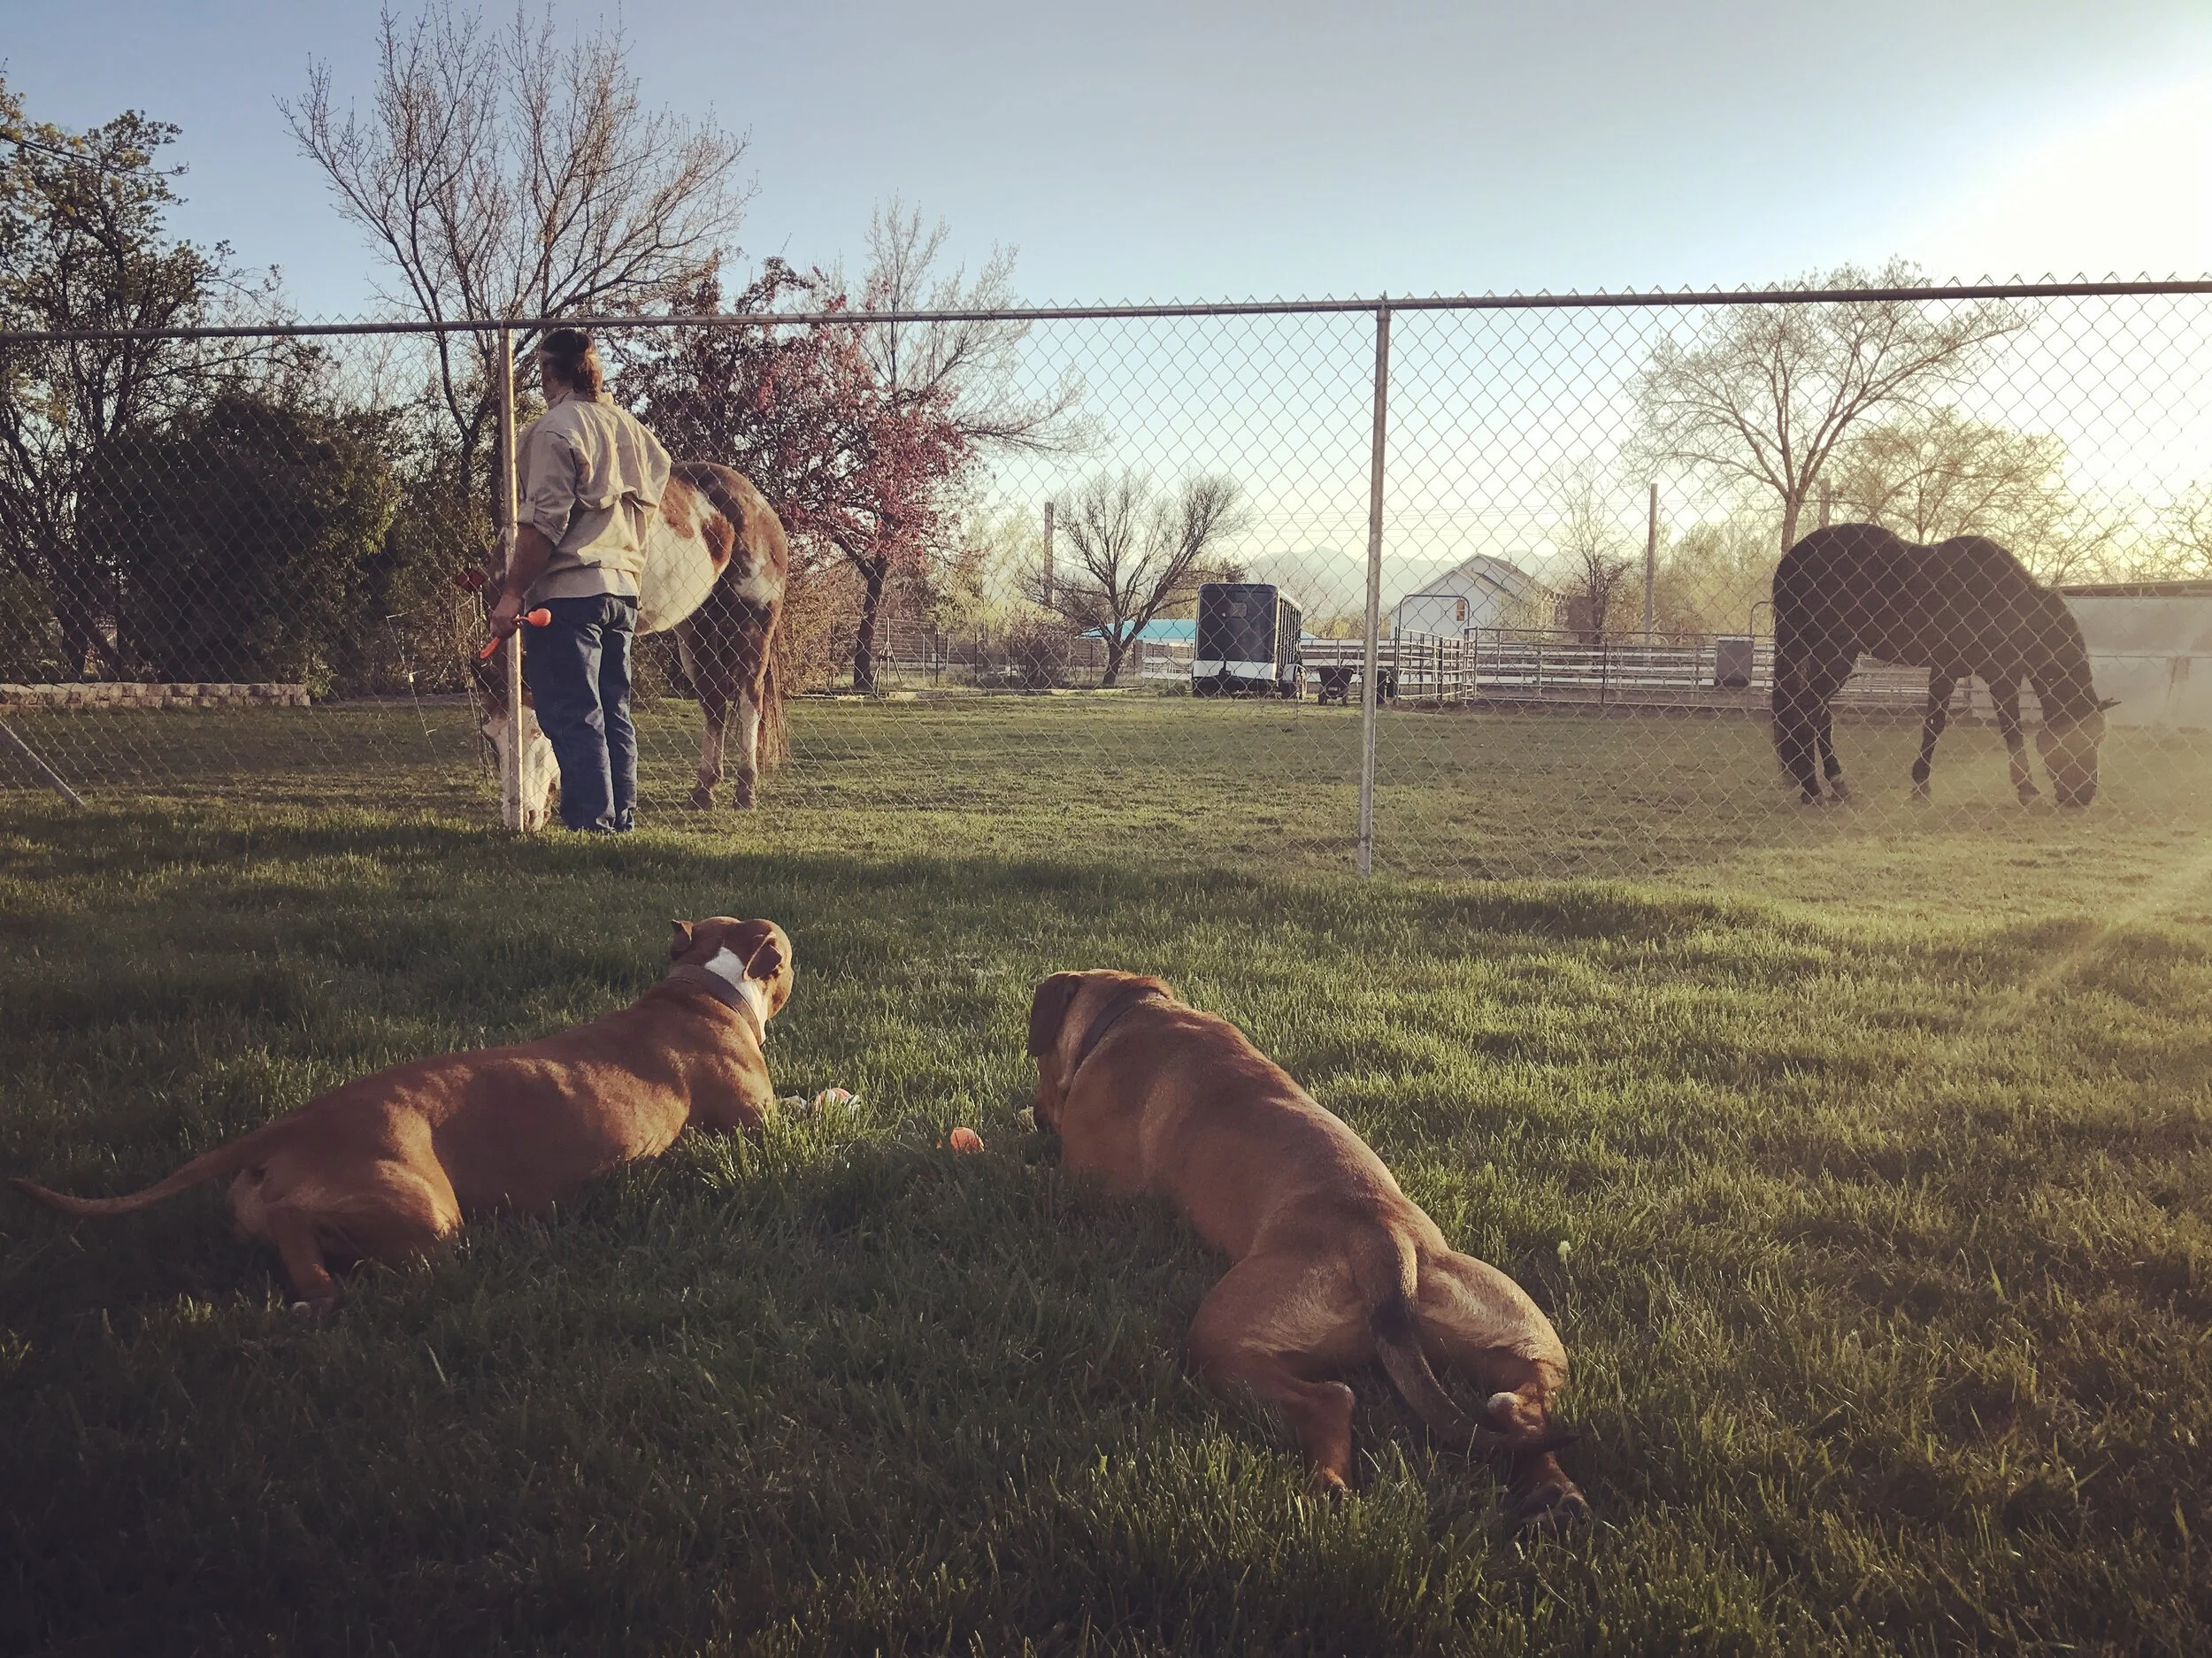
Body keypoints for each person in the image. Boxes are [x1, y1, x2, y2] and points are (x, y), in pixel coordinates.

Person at [488, 328, 671, 833]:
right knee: (614, 708)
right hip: (623, 590)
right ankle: (620, 820)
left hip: (569, 592)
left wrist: (511, 592)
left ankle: (592, 824)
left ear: (550, 373)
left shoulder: (554, 431)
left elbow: (544, 522)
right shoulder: (636, 433)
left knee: (573, 709)